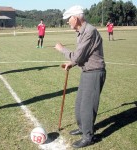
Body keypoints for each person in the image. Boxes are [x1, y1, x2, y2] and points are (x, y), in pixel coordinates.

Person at [54, 5, 106, 148]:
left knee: (87, 107)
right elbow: (82, 57)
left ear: (75, 18)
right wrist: (72, 64)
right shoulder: (82, 32)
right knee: (79, 105)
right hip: (87, 71)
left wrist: (62, 49)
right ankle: (83, 128)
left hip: (94, 72)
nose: (67, 22)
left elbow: (78, 56)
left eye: (68, 19)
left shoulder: (89, 31)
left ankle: (88, 136)